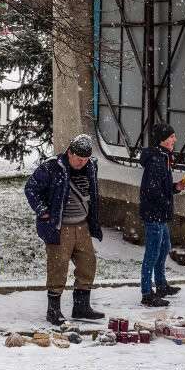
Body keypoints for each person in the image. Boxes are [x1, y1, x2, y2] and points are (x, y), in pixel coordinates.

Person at [25, 134, 105, 325]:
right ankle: (53, 311)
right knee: (58, 267)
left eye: (85, 159)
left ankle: (81, 307)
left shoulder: (91, 166)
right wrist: (43, 212)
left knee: (88, 264)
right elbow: (31, 188)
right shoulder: (52, 167)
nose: (81, 163)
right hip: (60, 227)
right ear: (69, 152)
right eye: (78, 159)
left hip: (82, 225)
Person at [139, 123, 185, 307]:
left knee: (164, 247)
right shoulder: (156, 161)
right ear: (162, 140)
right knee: (152, 253)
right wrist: (165, 202)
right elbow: (151, 190)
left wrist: (176, 187)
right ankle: (146, 293)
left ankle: (161, 285)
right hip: (154, 215)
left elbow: (162, 188)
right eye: (172, 136)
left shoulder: (164, 157)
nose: (175, 139)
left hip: (160, 214)